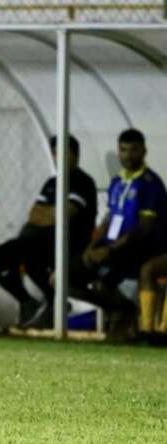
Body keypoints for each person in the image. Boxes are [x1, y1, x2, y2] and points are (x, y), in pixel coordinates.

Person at [0, 136, 97, 329]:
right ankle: (30, 302)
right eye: (57, 154)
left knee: (26, 257)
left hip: (69, 246)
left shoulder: (83, 182)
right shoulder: (52, 182)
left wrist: (51, 213)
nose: (61, 158)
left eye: (66, 153)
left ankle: (54, 304)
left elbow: (65, 214)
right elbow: (34, 214)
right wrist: (53, 213)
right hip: (37, 242)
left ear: (76, 155)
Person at [65, 129, 166, 338]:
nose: (128, 155)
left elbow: (144, 228)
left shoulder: (150, 183)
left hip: (134, 249)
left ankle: (137, 323)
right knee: (61, 279)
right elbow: (109, 218)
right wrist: (91, 247)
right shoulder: (117, 181)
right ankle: (121, 311)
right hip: (110, 248)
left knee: (105, 280)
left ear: (144, 151)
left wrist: (109, 250)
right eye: (123, 150)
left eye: (134, 150)